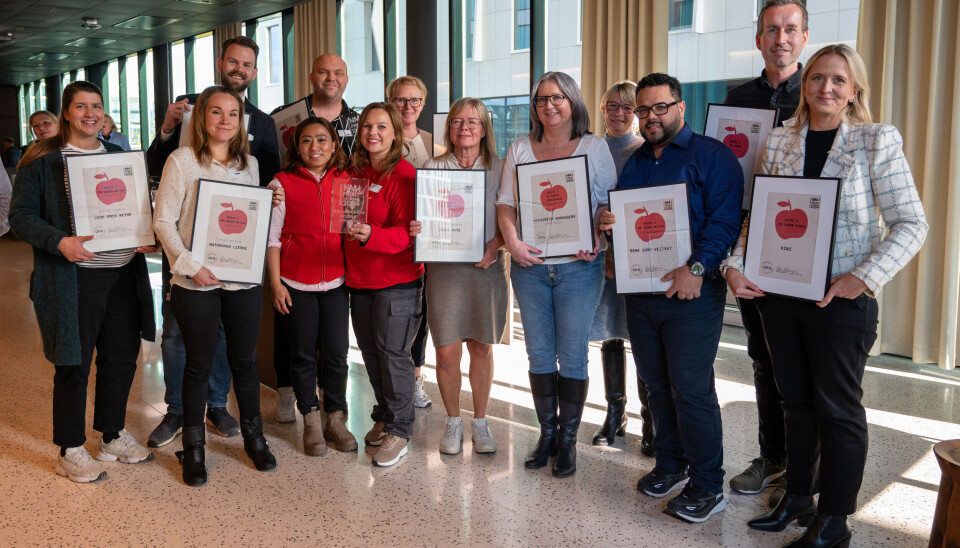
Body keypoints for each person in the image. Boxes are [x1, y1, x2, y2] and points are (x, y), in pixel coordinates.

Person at [724, 44, 927, 547]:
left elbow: (911, 223)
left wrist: (864, 276)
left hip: (841, 299)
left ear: (854, 89)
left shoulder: (875, 141)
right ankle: (798, 499)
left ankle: (835, 520)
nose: (826, 89)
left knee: (838, 409)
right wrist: (734, 265)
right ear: (805, 83)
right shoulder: (778, 141)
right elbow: (762, 218)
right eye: (817, 78)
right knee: (794, 403)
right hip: (780, 295)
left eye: (838, 80)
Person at [598, 72, 743, 522]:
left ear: (680, 107)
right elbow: (626, 215)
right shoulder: (638, 161)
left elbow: (723, 224)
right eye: (643, 110)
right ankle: (670, 462)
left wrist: (696, 267)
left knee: (690, 388)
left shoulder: (713, 157)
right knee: (656, 384)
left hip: (691, 294)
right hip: (642, 293)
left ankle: (707, 483)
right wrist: (608, 218)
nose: (650, 117)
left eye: (660, 107)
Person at [9, 81, 156, 483]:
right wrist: (59, 242)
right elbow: (20, 217)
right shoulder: (40, 159)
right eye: (80, 106)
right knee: (73, 363)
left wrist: (144, 235)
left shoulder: (118, 158)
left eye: (96, 106)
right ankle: (70, 449)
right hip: (75, 279)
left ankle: (112, 436)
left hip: (124, 274)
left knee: (121, 358)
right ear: (66, 112)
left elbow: (135, 209)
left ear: (104, 112)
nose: (89, 113)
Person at [145, 36, 281, 448]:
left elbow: (260, 199)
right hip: (190, 271)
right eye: (217, 112)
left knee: (232, 350)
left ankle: (218, 408)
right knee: (179, 341)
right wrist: (189, 264)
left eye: (232, 114)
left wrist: (274, 195)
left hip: (237, 274)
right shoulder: (182, 155)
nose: (225, 119)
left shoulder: (253, 157)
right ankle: (180, 416)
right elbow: (162, 217)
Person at [497, 71, 617, 478]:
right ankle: (546, 434)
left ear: (573, 102)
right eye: (542, 98)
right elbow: (506, 205)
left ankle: (568, 441)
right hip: (530, 268)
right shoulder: (519, 149)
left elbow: (604, 206)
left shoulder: (594, 147)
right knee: (539, 353)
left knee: (572, 353)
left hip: (579, 268)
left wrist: (598, 227)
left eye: (558, 97)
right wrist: (513, 244)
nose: (549, 105)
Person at [723, 0, 809, 504]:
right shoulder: (737, 98)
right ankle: (772, 458)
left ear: (803, 38)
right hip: (748, 240)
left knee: (803, 363)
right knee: (761, 357)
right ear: (759, 39)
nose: (780, 38)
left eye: (790, 29)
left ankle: (806, 472)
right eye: (771, 29)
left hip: (803, 244)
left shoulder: (821, 92)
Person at [408, 98, 507, 455]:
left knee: (481, 347)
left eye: (472, 121)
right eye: (456, 121)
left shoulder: (500, 167)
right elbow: (421, 217)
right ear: (448, 128)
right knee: (447, 352)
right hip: (444, 271)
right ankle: (452, 422)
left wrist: (496, 244)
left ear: (484, 128)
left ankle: (480, 422)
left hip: (486, 267)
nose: (464, 128)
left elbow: (514, 219)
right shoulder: (432, 167)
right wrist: (419, 227)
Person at [270, 53, 359, 422]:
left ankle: (335, 415)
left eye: (322, 140)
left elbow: (355, 233)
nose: (315, 147)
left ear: (333, 145)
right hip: (295, 282)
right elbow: (272, 239)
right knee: (303, 353)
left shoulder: (348, 183)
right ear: (297, 147)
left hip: (337, 282)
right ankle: (309, 414)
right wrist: (275, 284)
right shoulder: (282, 184)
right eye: (307, 141)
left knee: (337, 354)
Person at [345, 103, 422, 467]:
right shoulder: (355, 173)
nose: (372, 133)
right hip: (360, 280)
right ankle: (385, 416)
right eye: (366, 126)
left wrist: (371, 235)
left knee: (393, 356)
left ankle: (401, 430)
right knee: (372, 355)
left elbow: (407, 236)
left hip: (397, 282)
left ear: (395, 133)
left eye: (381, 127)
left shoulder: (404, 175)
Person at [589, 80, 654, 456]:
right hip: (601, 257)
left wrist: (621, 251)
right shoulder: (591, 149)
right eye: (611, 105)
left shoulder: (646, 150)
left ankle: (651, 419)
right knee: (611, 335)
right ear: (602, 109)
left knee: (641, 337)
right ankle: (616, 414)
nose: (618, 113)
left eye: (627, 107)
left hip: (636, 257)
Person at [386, 75, 434, 409]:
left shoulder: (435, 142)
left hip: (430, 246)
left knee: (423, 315)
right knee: (395, 319)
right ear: (391, 102)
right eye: (401, 100)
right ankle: (394, 382)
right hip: (393, 244)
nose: (408, 106)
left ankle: (416, 379)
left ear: (423, 104)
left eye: (414, 100)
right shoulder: (382, 139)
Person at [271, 53, 359, 155]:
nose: (331, 78)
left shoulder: (361, 124)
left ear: (346, 80)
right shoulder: (282, 116)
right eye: (323, 72)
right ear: (311, 78)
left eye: (338, 73)